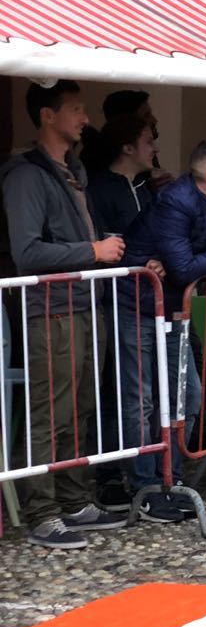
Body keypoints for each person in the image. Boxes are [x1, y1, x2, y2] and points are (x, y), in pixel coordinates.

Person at [1, 81, 127, 549]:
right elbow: (27, 251)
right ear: (47, 116)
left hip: (83, 302)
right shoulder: (26, 175)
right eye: (75, 109)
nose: (85, 117)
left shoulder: (72, 169)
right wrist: (92, 251)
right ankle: (42, 512)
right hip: (50, 309)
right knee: (49, 411)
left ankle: (74, 500)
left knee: (79, 407)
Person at [121, 140, 206, 521]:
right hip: (137, 305)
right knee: (142, 400)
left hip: (174, 307)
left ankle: (171, 479)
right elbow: (196, 263)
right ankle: (145, 487)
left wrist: (197, 258)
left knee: (187, 395)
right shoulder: (175, 202)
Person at [87, 113, 158, 238]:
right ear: (128, 149)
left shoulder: (144, 188)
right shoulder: (99, 192)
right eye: (149, 142)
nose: (156, 149)